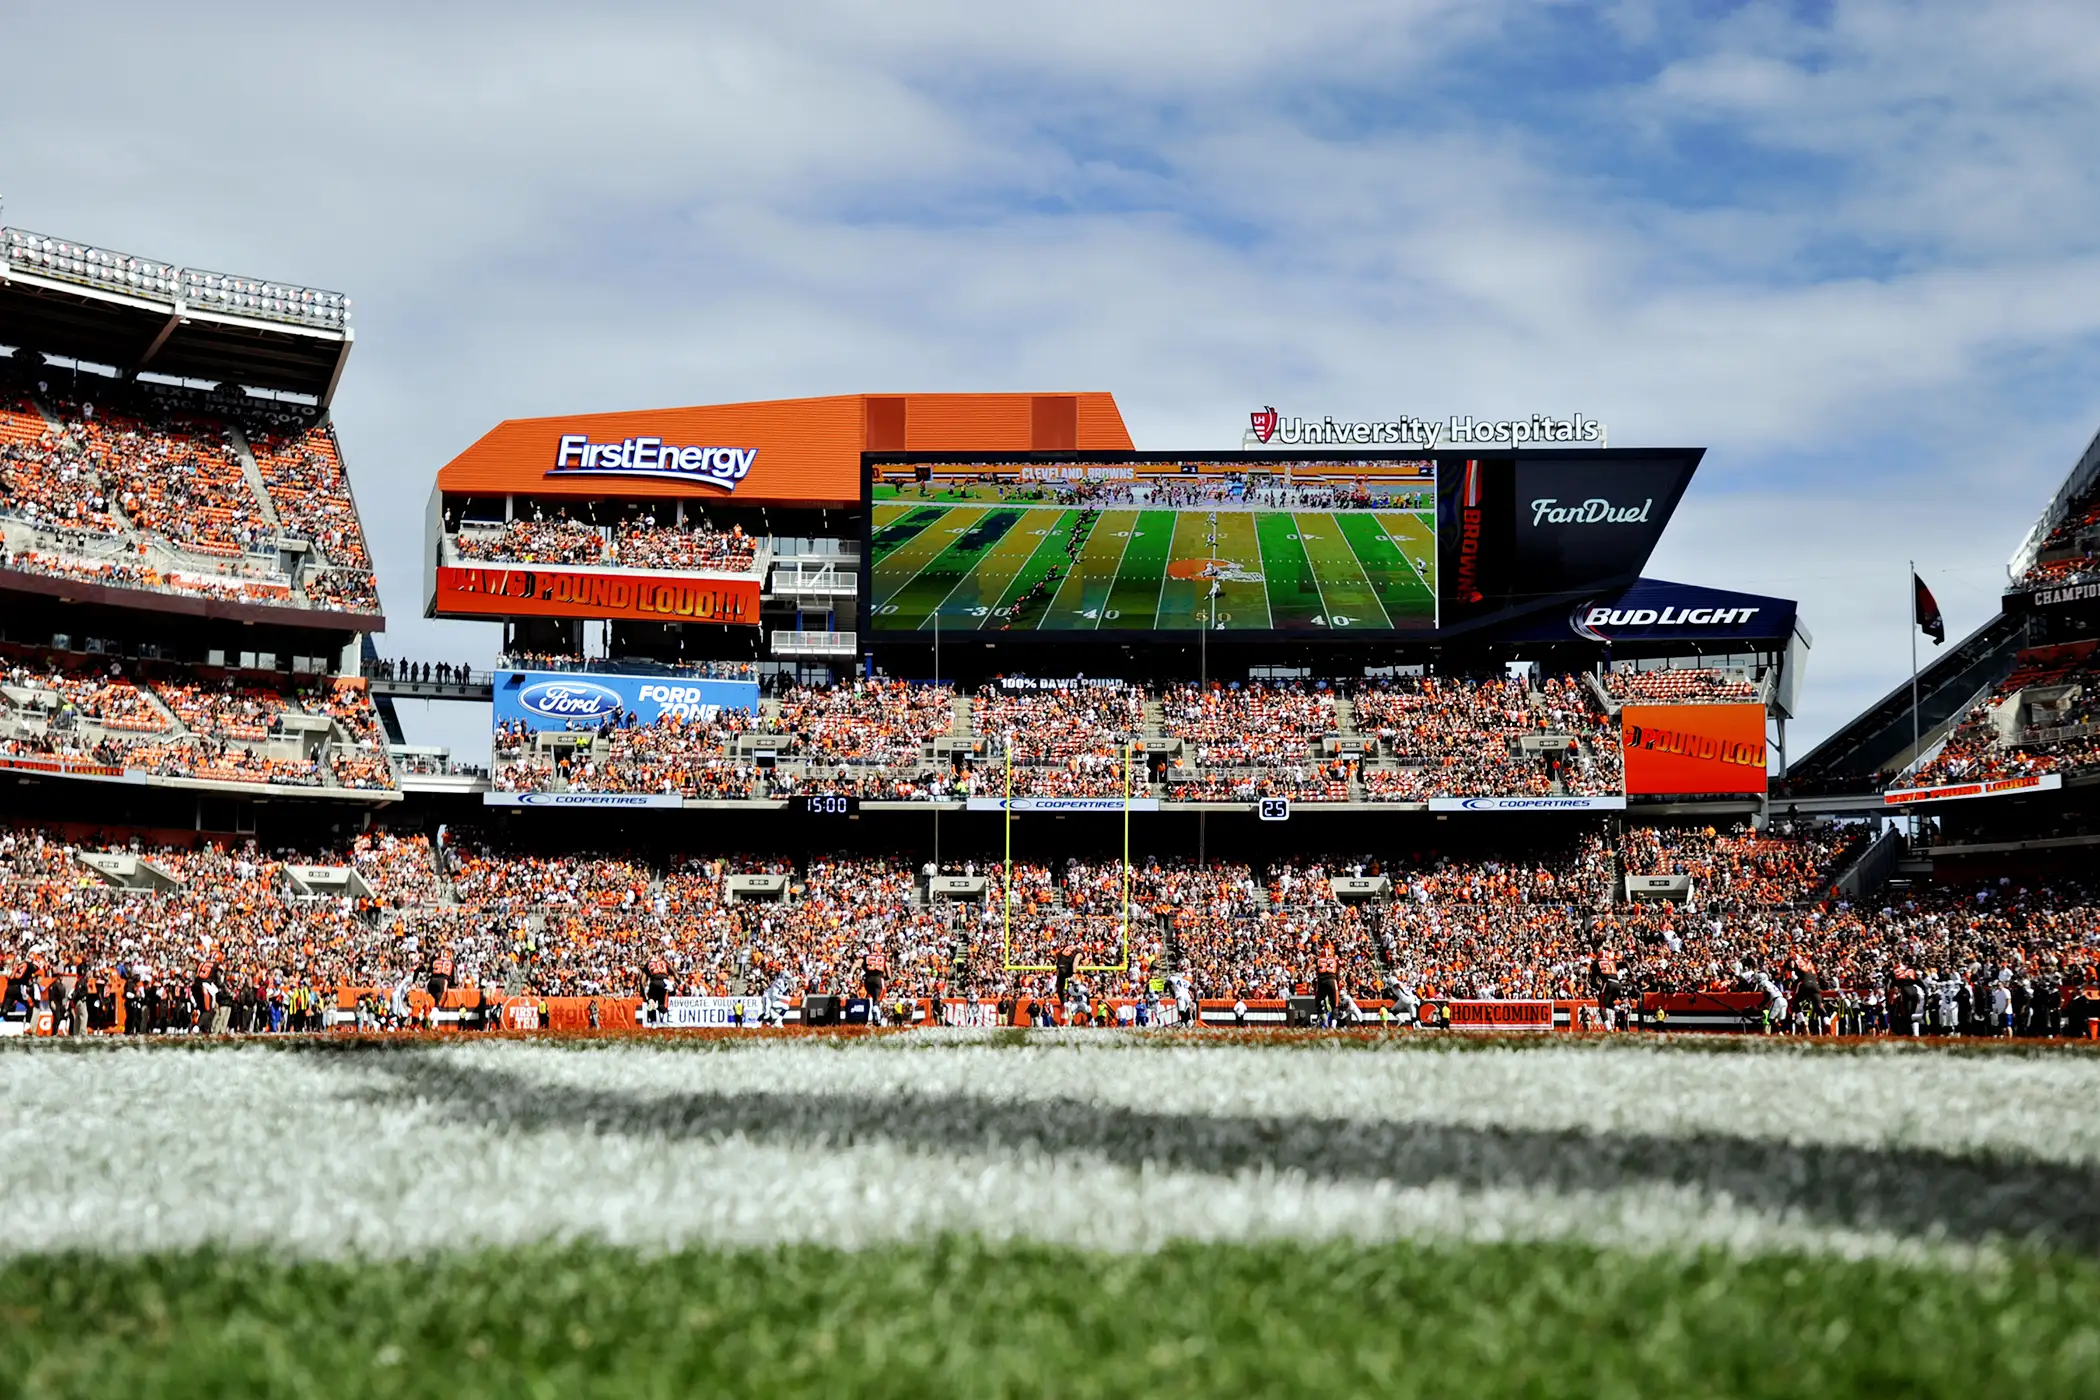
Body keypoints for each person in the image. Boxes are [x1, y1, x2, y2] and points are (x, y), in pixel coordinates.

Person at [1313, 939, 1340, 1027]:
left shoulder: (1318, 960)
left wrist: (1306, 974)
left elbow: (1312, 967)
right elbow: (1337, 974)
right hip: (1332, 981)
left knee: (1319, 1003)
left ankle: (1325, 1021)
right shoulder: (1335, 960)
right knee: (1335, 1004)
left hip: (1321, 981)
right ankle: (1333, 1024)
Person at [863, 939, 889, 1027]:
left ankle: (870, 1020)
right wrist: (885, 977)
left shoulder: (866, 957)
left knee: (871, 999)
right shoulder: (882, 958)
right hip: (878, 979)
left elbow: (858, 964)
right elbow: (889, 974)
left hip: (868, 979)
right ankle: (877, 1018)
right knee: (877, 1000)